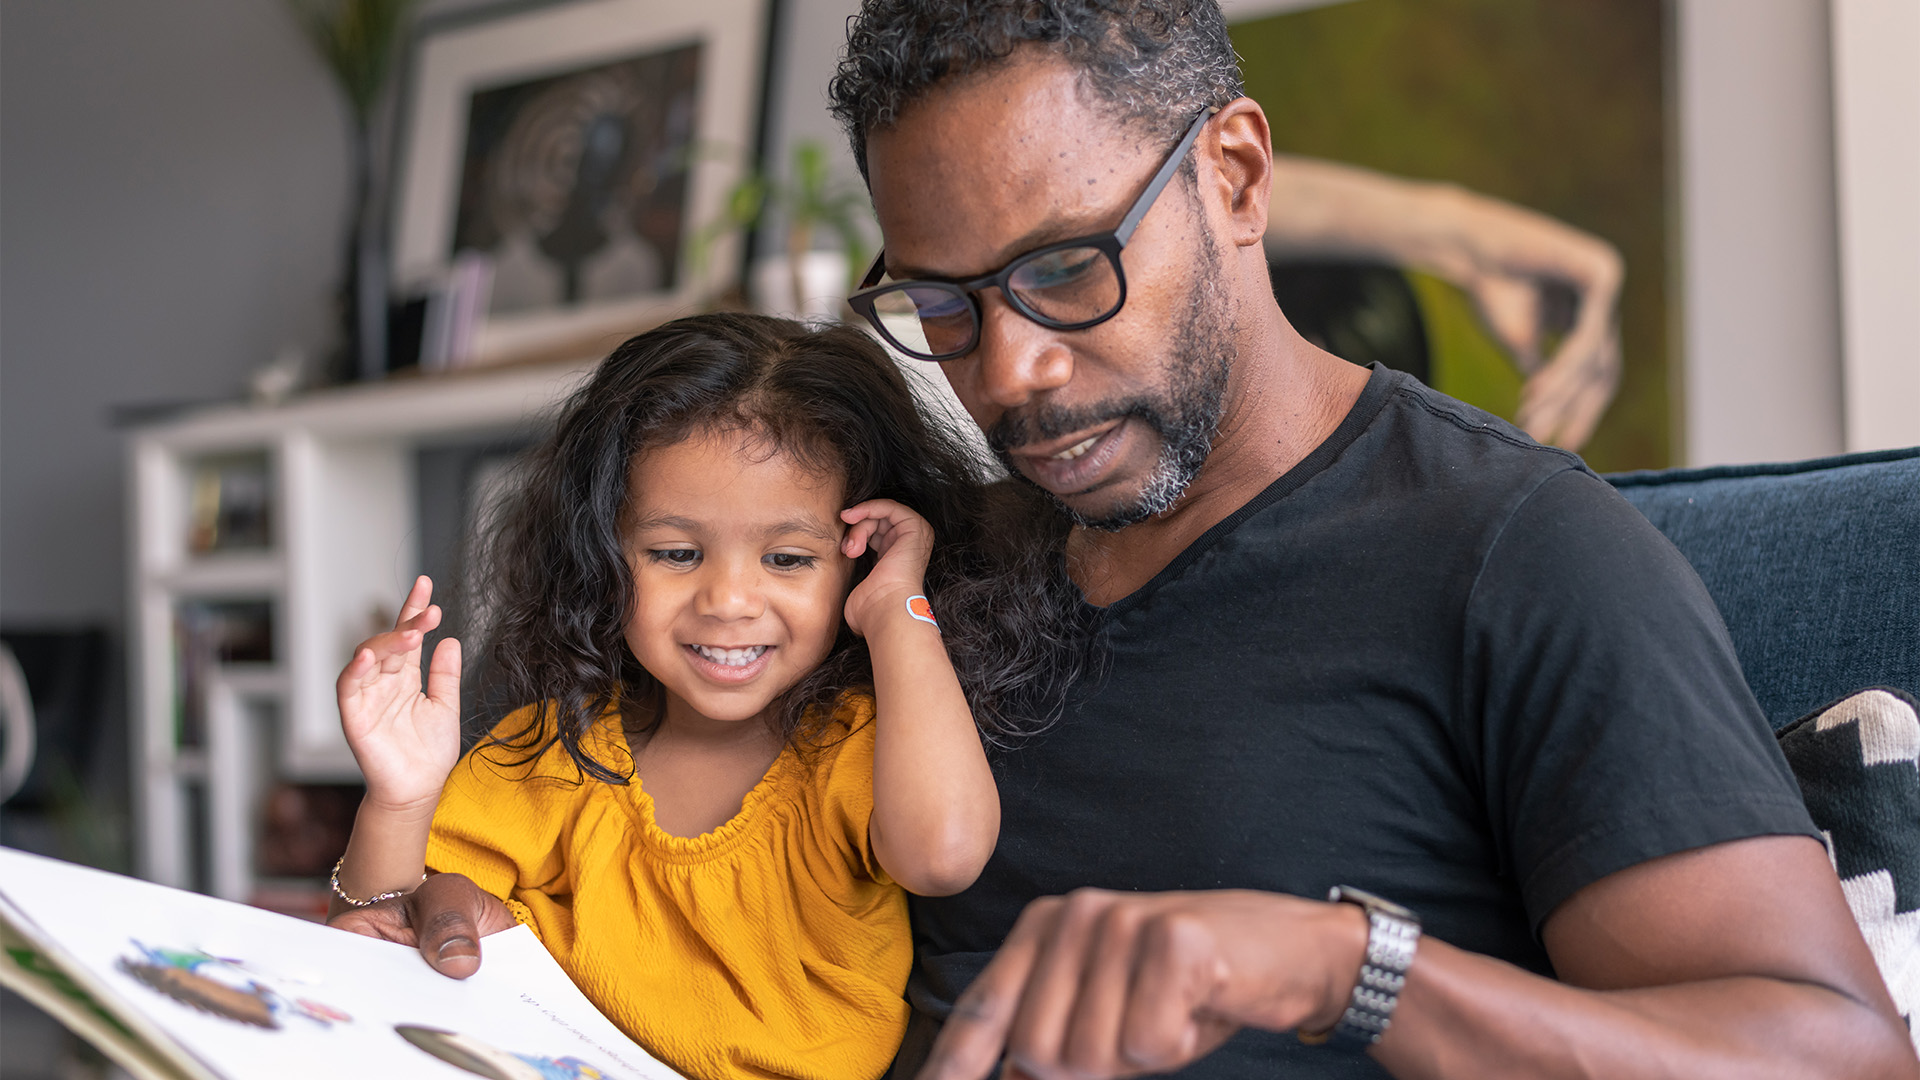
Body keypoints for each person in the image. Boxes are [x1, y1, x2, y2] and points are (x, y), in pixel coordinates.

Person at [821, 1, 1918, 1077]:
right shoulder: (922, 562)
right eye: (942, 305)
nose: (1011, 374)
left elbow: (1840, 1059)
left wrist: (1348, 972)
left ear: (1237, 177)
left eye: (1064, 269)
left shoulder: (1512, 552)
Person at [324, 314, 1085, 1080]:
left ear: (856, 563)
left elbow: (944, 856)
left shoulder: (856, 746)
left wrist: (897, 609)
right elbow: (380, 937)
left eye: (787, 559)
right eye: (676, 554)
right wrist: (399, 797)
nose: (727, 600)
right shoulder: (549, 756)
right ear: (603, 556)